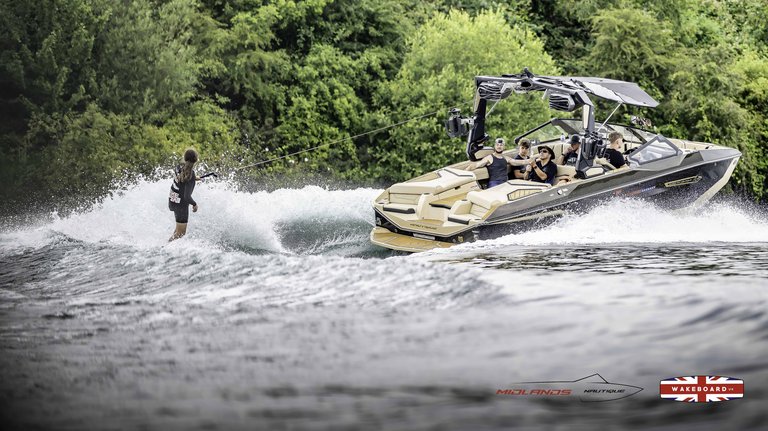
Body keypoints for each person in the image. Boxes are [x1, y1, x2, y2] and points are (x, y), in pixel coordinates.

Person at [168, 148, 199, 241]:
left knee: (178, 230)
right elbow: (187, 196)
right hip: (180, 205)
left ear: (184, 158)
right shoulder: (191, 175)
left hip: (172, 201)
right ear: (196, 160)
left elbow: (182, 178)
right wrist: (194, 204)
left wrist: (194, 178)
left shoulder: (178, 167)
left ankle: (168, 246)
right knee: (181, 233)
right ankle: (165, 248)